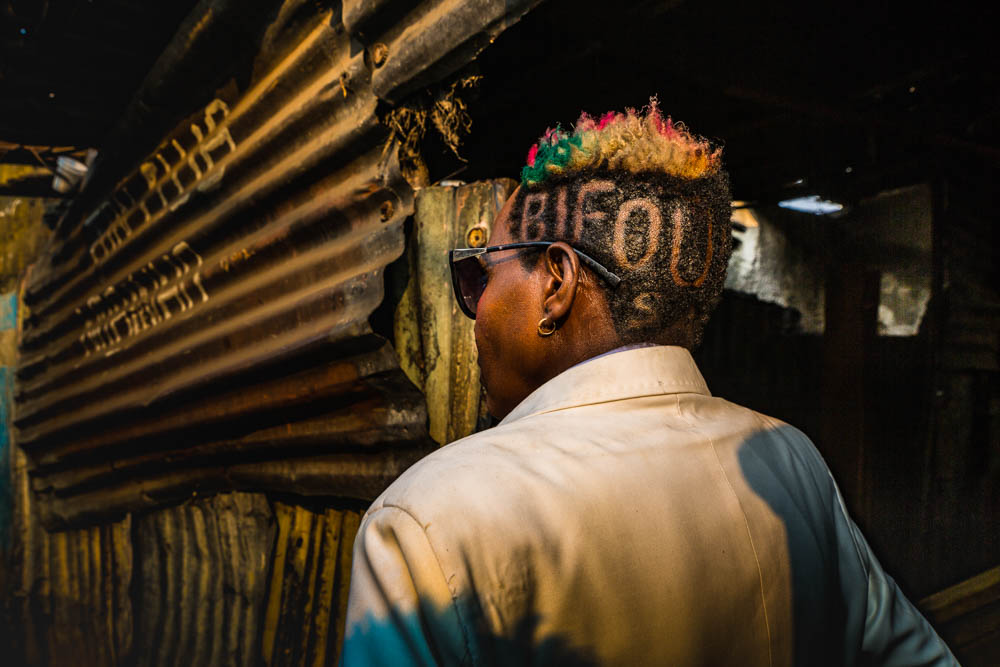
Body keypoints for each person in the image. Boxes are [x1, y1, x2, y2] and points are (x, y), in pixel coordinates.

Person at [340, 101, 956, 666]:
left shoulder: (424, 520)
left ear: (556, 281)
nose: (474, 309)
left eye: (482, 277)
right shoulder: (791, 462)